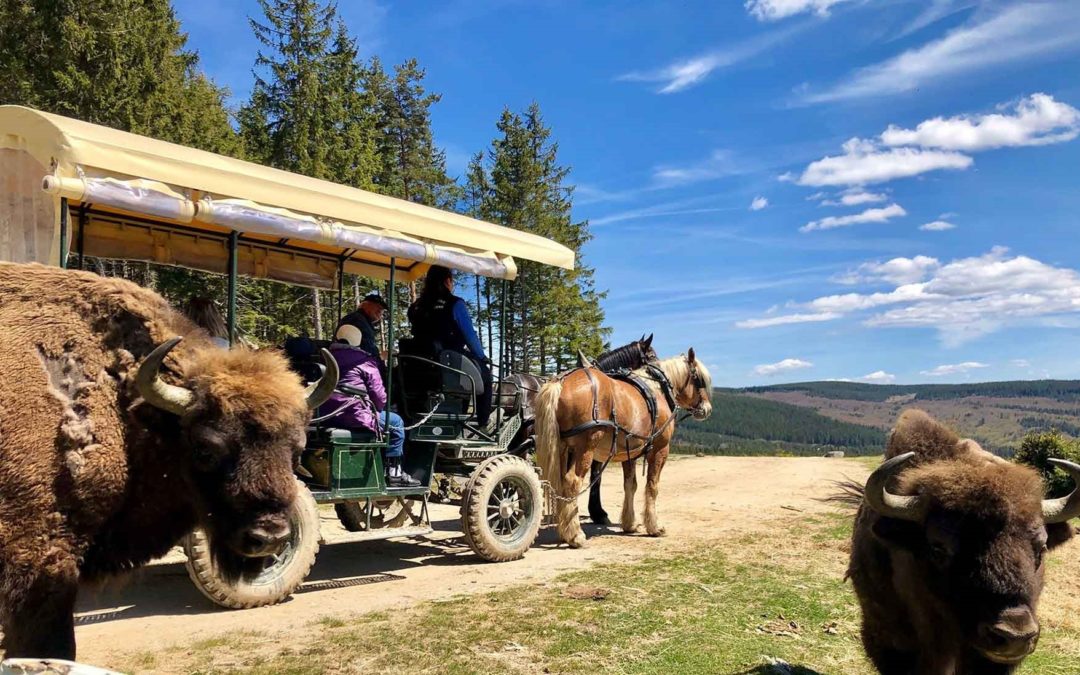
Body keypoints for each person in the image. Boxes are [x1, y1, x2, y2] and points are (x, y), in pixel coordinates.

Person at [319, 324, 420, 488]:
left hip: (323, 414)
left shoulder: (326, 357)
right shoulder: (364, 361)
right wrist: (381, 407)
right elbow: (379, 397)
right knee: (396, 422)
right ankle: (394, 473)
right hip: (353, 415)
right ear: (358, 341)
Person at [407, 265, 493, 427]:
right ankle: (483, 422)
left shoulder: (416, 306)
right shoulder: (455, 304)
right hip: (446, 362)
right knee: (486, 376)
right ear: (448, 281)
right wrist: (481, 357)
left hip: (419, 364)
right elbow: (470, 335)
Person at [337, 292, 389, 374]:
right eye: (377, 307)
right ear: (365, 305)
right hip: (355, 371)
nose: (380, 311)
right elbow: (367, 351)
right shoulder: (357, 320)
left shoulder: (361, 320)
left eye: (382, 310)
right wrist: (381, 362)